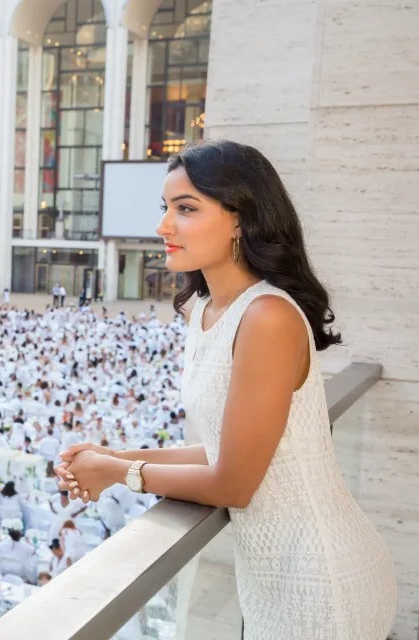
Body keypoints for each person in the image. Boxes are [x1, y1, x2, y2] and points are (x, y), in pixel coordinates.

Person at [57, 140, 397, 639]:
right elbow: (228, 446)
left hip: (319, 579)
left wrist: (115, 470)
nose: (163, 226)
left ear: (241, 218)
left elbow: (235, 482)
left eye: (186, 209)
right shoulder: (204, 309)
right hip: (272, 577)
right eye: (166, 208)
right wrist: (116, 453)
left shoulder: (267, 316)